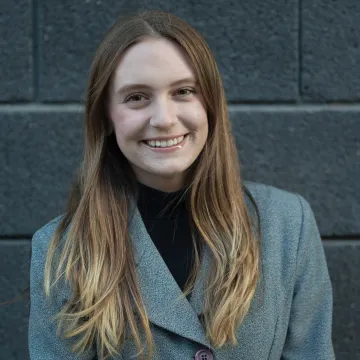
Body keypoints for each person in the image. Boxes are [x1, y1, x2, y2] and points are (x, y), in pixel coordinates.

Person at [28, 10, 335, 360]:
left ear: (210, 104)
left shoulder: (287, 225)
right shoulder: (62, 252)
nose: (164, 119)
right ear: (106, 117)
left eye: (184, 91)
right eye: (136, 97)